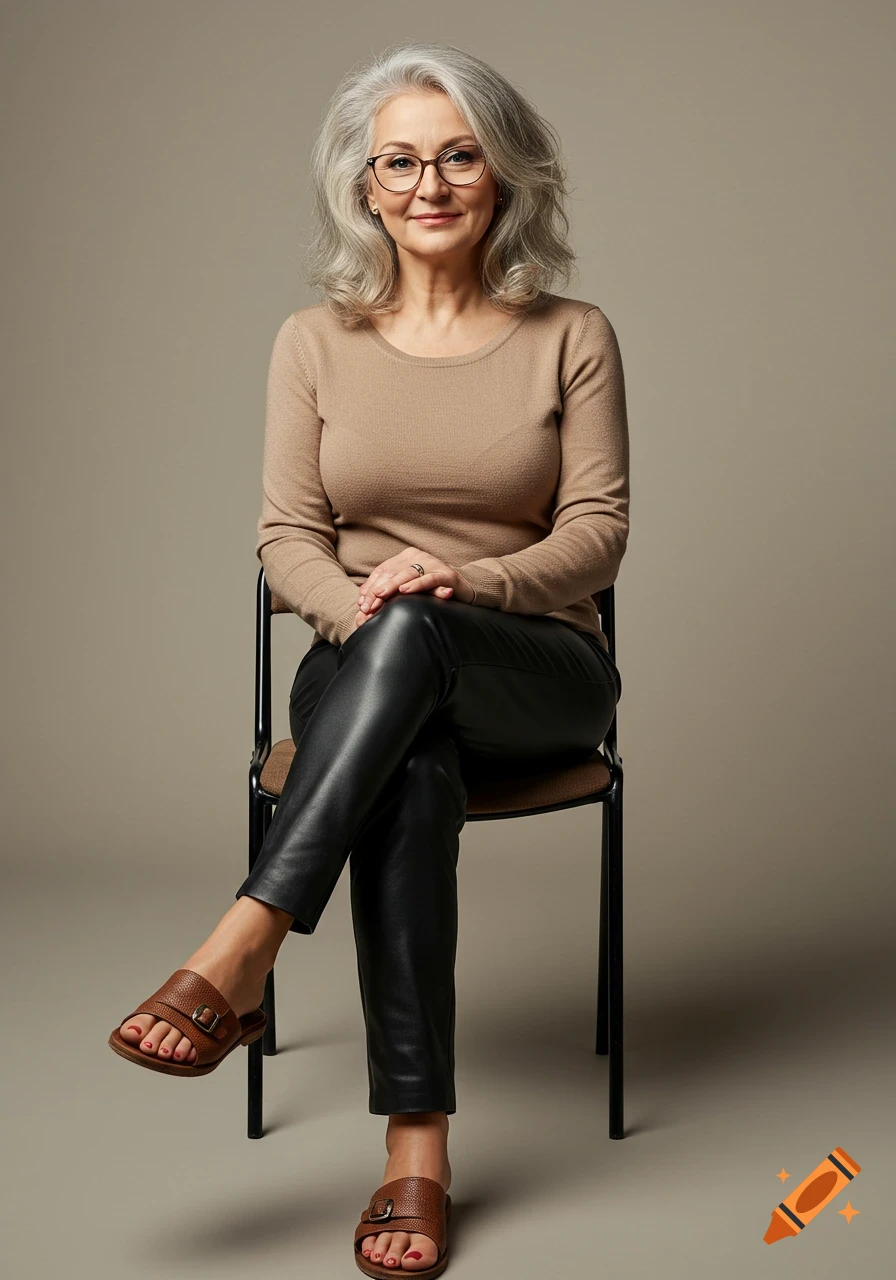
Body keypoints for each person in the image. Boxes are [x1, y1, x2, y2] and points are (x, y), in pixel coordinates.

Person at [107, 38, 630, 1278]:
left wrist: (462, 584)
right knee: (412, 764)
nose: (428, 183)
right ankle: (416, 1154)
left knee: (418, 649)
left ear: (502, 175)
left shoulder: (571, 333)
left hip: (534, 668)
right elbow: (286, 537)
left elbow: (597, 532)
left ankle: (240, 942)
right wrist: (372, 609)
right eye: (398, 160)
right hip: (363, 664)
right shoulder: (314, 342)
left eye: (457, 155)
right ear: (363, 185)